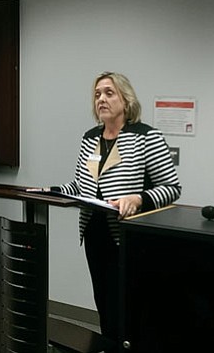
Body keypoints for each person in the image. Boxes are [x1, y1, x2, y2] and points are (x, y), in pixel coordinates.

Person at [48, 72, 182, 348]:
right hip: (94, 232)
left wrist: (139, 198)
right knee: (105, 302)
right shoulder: (90, 138)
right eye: (97, 94)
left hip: (128, 237)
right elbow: (81, 185)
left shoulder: (146, 137)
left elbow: (171, 187)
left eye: (109, 93)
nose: (101, 99)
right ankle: (108, 345)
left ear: (126, 99)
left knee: (131, 305)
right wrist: (51, 191)